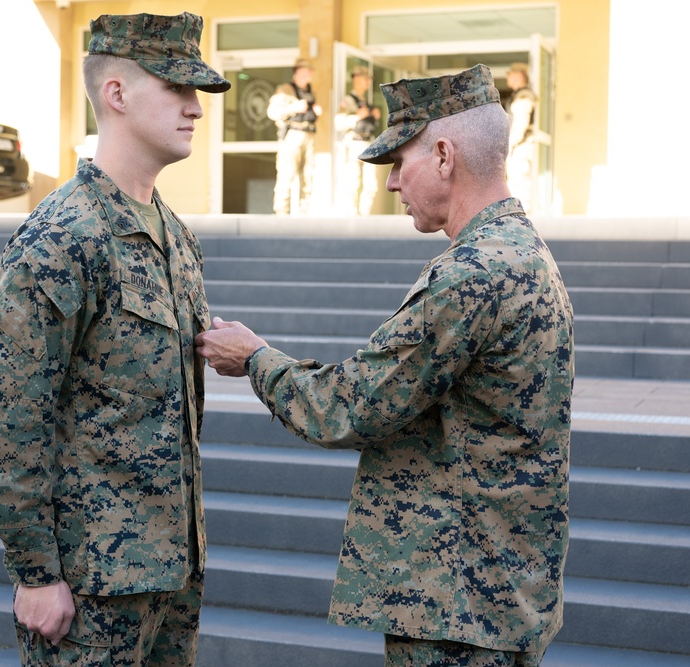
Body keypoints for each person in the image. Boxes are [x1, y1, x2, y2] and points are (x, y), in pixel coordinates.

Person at [195, 64, 573, 667]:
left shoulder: (473, 275)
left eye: (400, 161)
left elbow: (350, 407)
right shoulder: (522, 253)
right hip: (496, 592)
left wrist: (255, 359)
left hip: (459, 605)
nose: (393, 182)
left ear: (445, 155)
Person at [0, 11, 229, 667]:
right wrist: (35, 570)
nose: (196, 108)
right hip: (89, 586)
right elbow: (2, 423)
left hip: (169, 572)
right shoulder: (64, 236)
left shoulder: (175, 236)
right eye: (177, 89)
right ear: (116, 94)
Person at [267, 58, 322, 215]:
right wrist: (293, 107)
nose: (309, 74)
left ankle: (305, 213)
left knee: (309, 177)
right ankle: (281, 214)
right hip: (293, 135)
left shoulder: (311, 90)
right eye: (306, 70)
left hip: (309, 135)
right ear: (297, 72)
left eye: (310, 71)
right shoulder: (286, 89)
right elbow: (272, 112)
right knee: (287, 175)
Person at [334, 65, 382, 215]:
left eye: (368, 79)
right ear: (356, 79)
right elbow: (338, 123)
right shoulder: (348, 101)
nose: (368, 82)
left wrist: (374, 115)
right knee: (352, 182)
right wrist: (357, 116)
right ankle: (352, 216)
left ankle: (364, 214)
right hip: (353, 143)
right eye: (365, 79)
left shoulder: (366, 101)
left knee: (371, 185)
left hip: (368, 142)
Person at [505, 62, 538, 211]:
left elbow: (520, 125)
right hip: (519, 146)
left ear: (519, 75)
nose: (507, 77)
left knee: (520, 183)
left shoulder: (524, 96)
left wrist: (510, 145)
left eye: (510, 73)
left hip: (521, 146)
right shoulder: (519, 95)